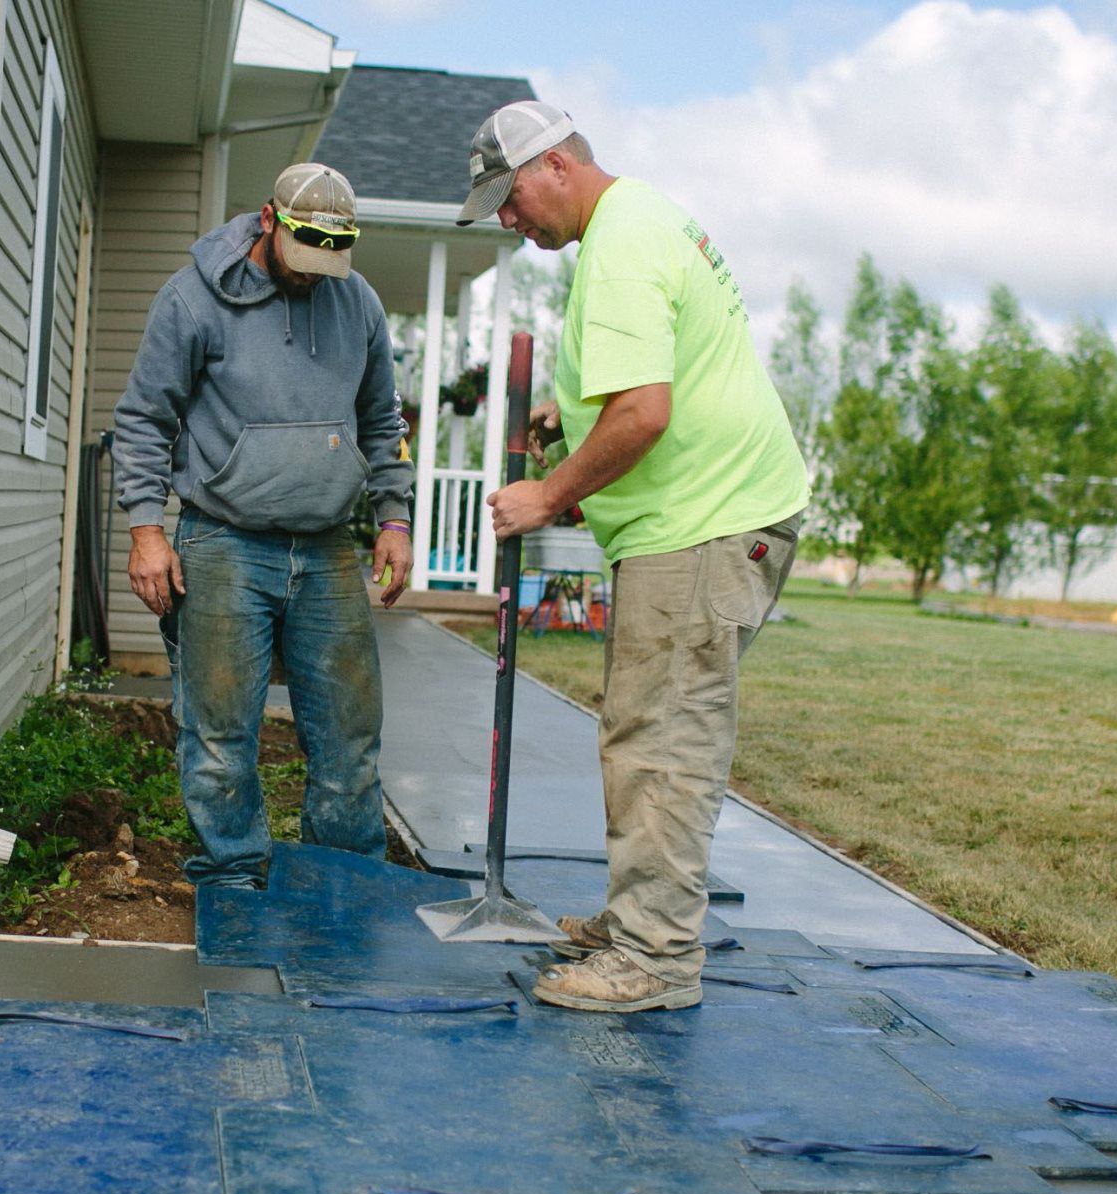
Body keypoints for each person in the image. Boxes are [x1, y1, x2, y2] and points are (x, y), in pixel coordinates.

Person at [464, 102, 808, 1012]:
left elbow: (644, 414)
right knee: (642, 728)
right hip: (709, 517)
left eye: (510, 197)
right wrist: (569, 418)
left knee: (663, 740)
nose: (508, 218)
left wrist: (547, 491)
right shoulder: (642, 218)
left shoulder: (617, 245)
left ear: (558, 167)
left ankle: (654, 957)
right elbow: (644, 388)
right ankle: (638, 922)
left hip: (703, 525)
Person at [114, 163, 416, 892]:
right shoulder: (194, 298)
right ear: (269, 221)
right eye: (305, 257)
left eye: (330, 262)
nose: (316, 276)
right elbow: (144, 419)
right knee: (220, 737)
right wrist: (146, 529)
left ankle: (344, 883)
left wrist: (395, 517)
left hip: (325, 547)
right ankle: (231, 879)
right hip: (224, 542)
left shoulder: (358, 301)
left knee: (348, 737)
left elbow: (383, 420)